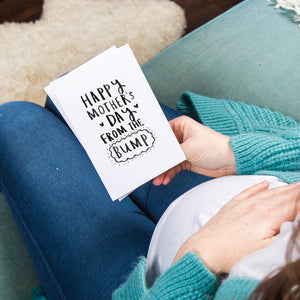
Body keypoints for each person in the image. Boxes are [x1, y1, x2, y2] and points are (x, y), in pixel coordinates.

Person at [0, 91, 299, 299]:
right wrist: (232, 153)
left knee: (16, 121)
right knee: (74, 95)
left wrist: (200, 260)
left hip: (158, 285)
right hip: (236, 183)